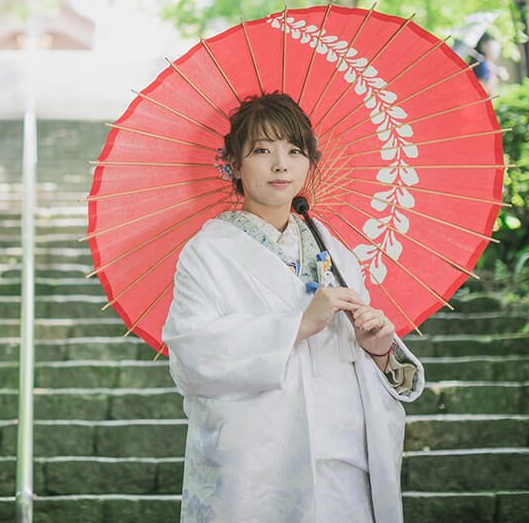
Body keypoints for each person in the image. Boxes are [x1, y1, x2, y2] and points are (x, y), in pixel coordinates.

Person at [161, 92, 424, 523]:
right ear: (233, 163)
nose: (281, 164)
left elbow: (358, 358)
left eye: (295, 150)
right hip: (260, 466)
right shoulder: (207, 252)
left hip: (343, 459)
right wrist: (300, 324)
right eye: (262, 150)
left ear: (310, 162)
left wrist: (377, 348)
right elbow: (192, 356)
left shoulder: (334, 249)